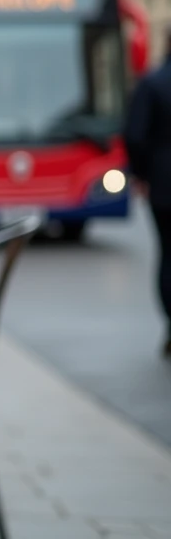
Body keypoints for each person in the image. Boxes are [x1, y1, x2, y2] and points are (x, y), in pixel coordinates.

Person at [124, 32, 171, 359]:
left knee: (169, 256)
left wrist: (141, 174)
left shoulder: (152, 84)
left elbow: (135, 136)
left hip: (164, 186)